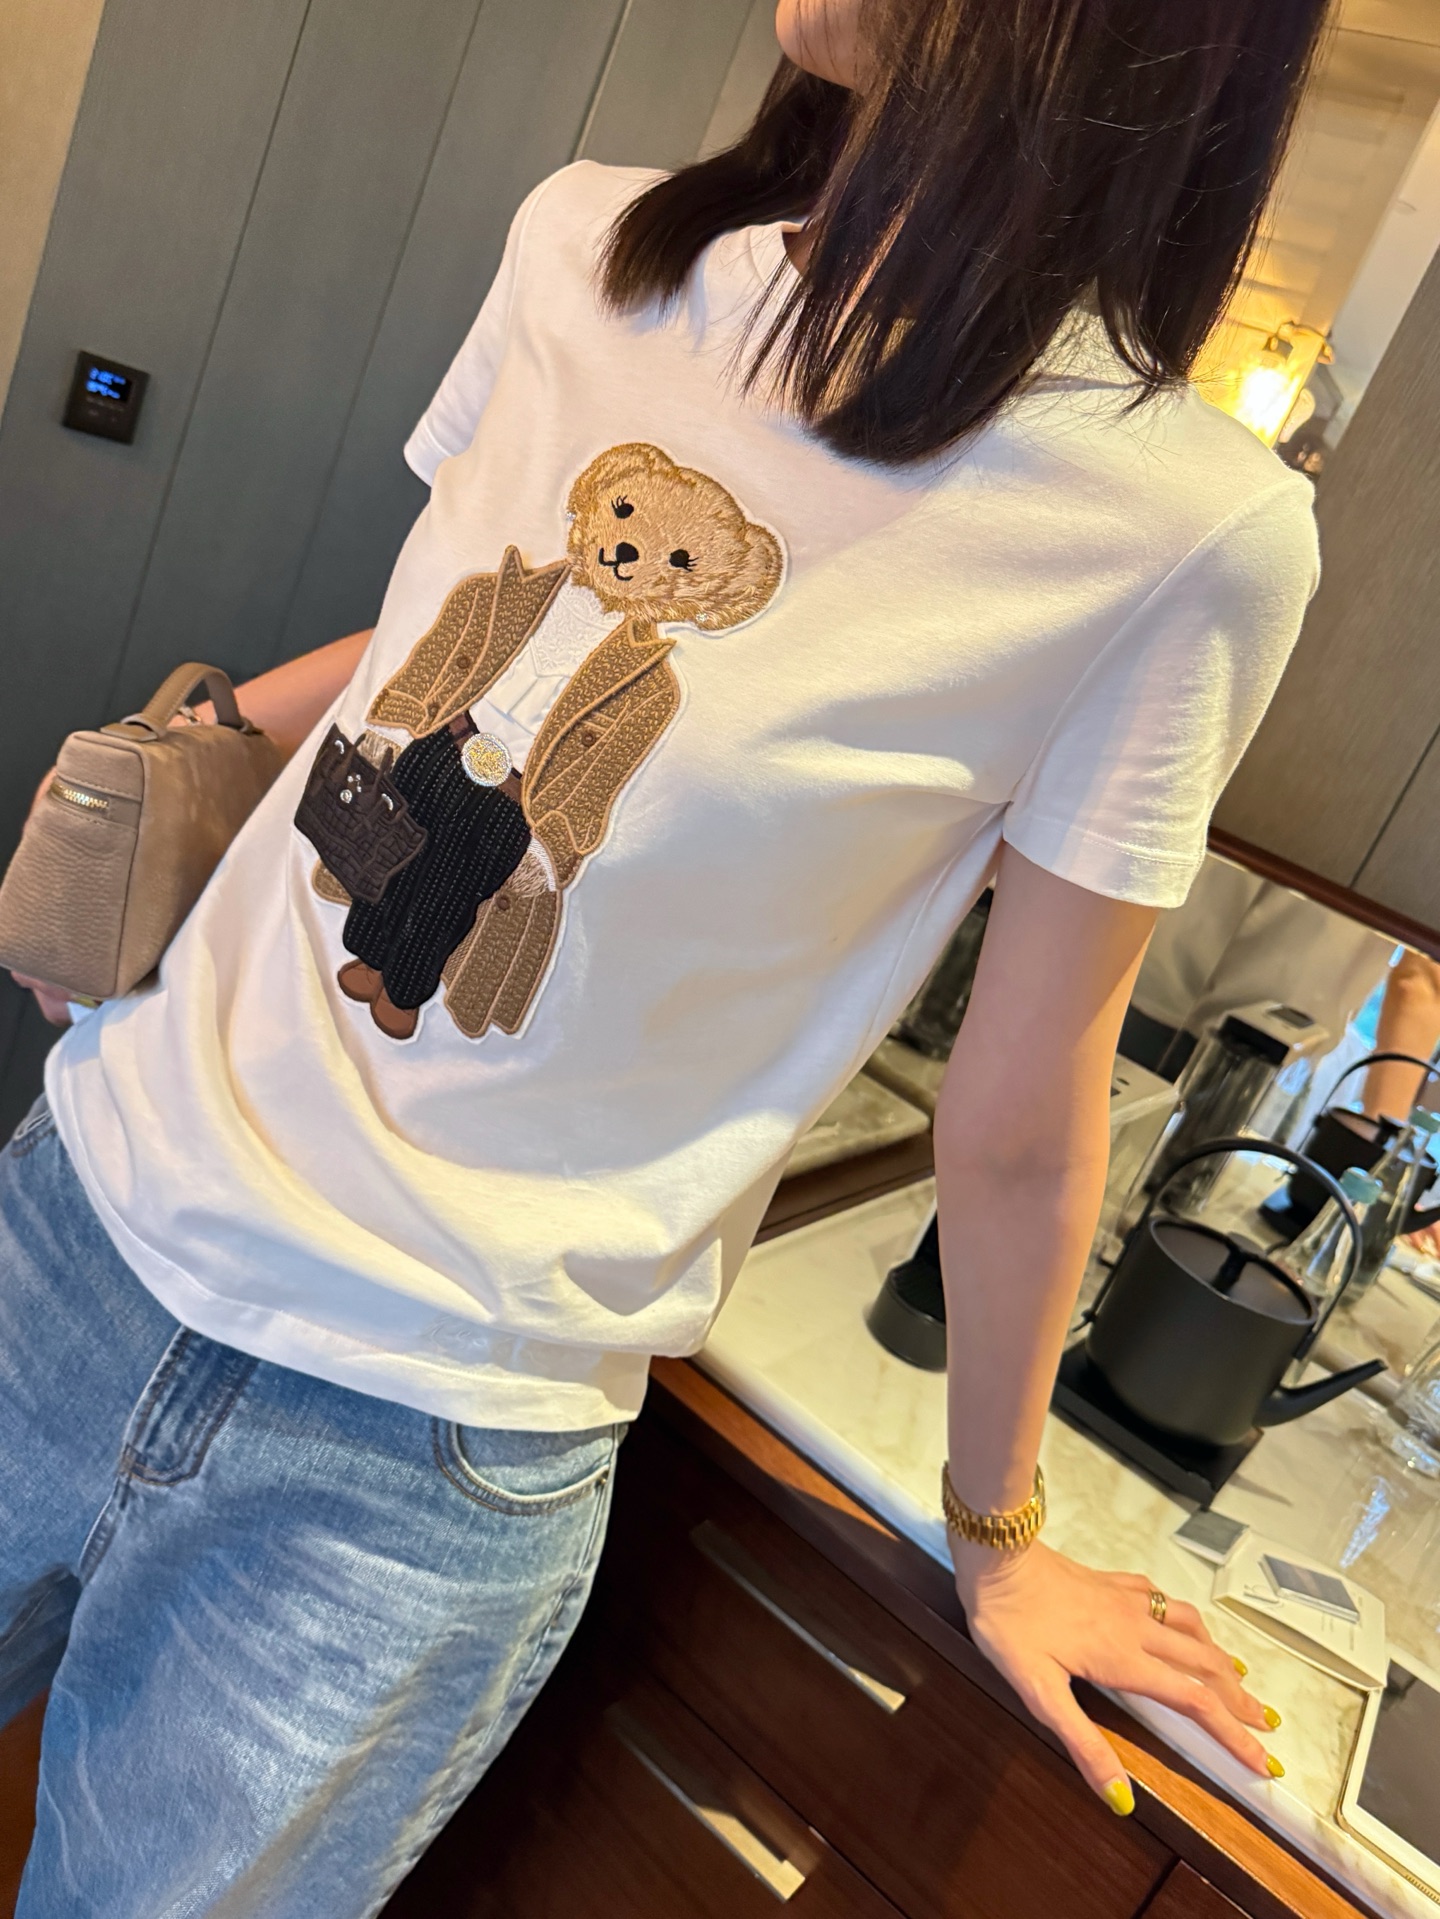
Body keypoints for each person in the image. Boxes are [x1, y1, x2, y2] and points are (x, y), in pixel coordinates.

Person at [3, 0, 1328, 1909]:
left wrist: (1002, 1534)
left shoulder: (1184, 531)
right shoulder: (592, 245)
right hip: (79, 1222)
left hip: (410, 1459)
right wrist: (147, 781)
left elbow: (1025, 1108)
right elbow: (417, 647)